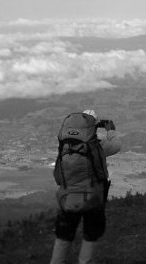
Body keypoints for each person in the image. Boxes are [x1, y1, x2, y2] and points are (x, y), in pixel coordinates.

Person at [49, 109, 121, 264]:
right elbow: (116, 146)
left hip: (68, 197)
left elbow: (58, 176)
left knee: (64, 234)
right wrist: (111, 131)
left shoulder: (65, 145)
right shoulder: (98, 145)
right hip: (93, 197)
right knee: (91, 233)